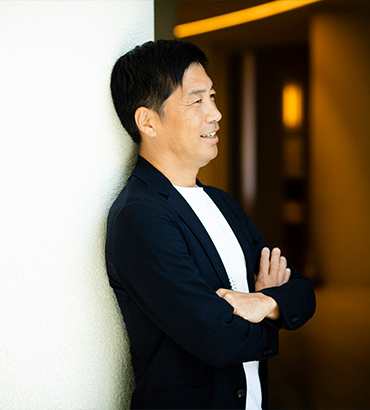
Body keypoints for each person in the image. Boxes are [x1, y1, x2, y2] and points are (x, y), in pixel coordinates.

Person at [105, 39, 316, 410]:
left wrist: (263, 302)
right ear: (148, 122)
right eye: (197, 100)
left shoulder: (221, 203)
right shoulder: (140, 216)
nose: (215, 113)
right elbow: (218, 339)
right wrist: (275, 311)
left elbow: (301, 290)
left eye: (213, 97)